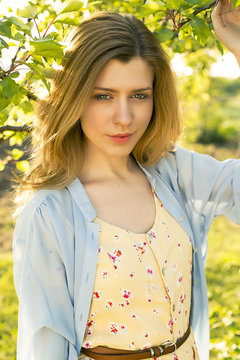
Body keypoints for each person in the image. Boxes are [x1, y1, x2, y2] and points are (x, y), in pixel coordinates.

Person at [12, 0, 240, 359]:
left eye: (139, 95)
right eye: (103, 96)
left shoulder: (173, 172)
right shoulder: (49, 214)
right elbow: (46, 345)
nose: (124, 117)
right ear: (73, 99)